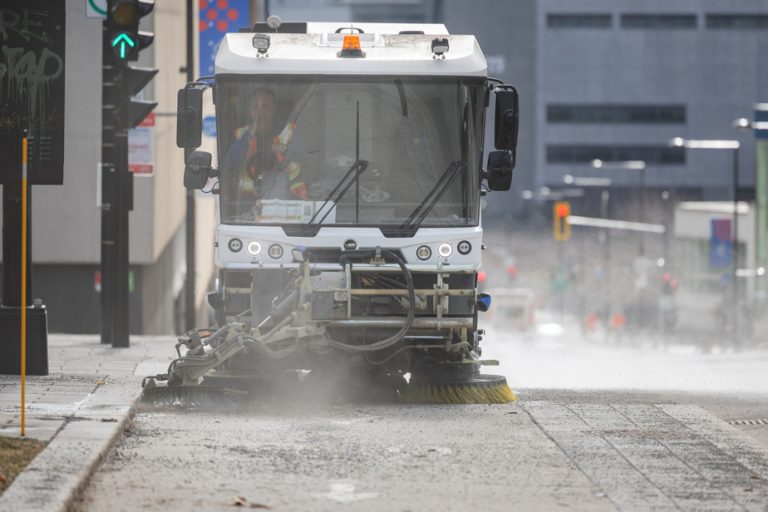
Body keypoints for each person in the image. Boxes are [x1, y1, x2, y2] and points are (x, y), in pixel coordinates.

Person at [225, 88, 308, 218]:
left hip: (286, 198)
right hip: (247, 202)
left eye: (265, 107)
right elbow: (230, 164)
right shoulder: (242, 134)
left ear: (274, 109)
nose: (260, 112)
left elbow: (307, 159)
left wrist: (286, 152)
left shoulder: (289, 132)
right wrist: (249, 135)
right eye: (255, 108)